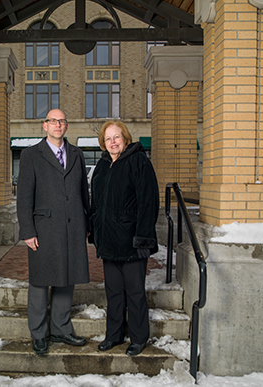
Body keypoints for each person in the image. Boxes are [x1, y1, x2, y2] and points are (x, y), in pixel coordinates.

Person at [16, 109, 91, 355]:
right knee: (40, 281)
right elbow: (24, 196)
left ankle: (61, 329)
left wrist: (87, 225)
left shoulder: (77, 154)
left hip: (72, 227)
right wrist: (27, 230)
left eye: (61, 121)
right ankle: (38, 333)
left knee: (66, 279)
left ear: (66, 126)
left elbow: (83, 193)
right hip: (43, 228)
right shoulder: (30, 155)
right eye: (52, 121)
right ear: (45, 126)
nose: (57, 124)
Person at [89, 120, 159, 356]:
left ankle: (139, 338)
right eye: (108, 139)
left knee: (135, 292)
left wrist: (143, 238)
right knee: (114, 292)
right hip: (109, 242)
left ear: (125, 139)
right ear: (103, 143)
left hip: (131, 242)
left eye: (116, 137)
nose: (112, 142)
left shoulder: (138, 161)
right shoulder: (102, 166)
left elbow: (149, 202)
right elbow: (96, 204)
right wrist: (94, 230)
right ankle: (114, 335)